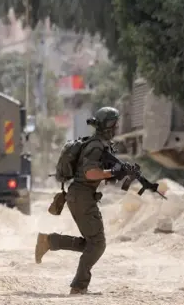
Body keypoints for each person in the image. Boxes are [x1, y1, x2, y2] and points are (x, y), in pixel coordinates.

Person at [34, 106, 126, 295]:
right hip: (82, 196)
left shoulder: (99, 144)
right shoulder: (96, 146)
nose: (117, 127)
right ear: (110, 125)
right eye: (115, 124)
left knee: (92, 244)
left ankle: (50, 241)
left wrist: (118, 172)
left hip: (81, 196)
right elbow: (90, 172)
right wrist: (113, 172)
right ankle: (79, 285)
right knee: (98, 244)